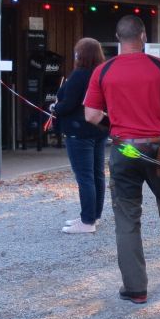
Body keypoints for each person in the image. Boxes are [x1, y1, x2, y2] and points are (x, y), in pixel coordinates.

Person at [84, 16, 160, 304]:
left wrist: (117, 125)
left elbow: (91, 115)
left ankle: (135, 288)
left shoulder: (103, 71)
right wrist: (158, 117)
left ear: (117, 38)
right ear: (143, 36)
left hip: (125, 150)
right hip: (158, 150)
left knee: (127, 218)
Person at [52, 38, 108, 234]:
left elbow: (68, 104)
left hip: (79, 131)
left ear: (80, 55)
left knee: (85, 177)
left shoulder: (79, 75)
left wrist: (55, 107)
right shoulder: (102, 74)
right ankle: (93, 215)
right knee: (97, 174)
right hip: (99, 129)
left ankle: (87, 221)